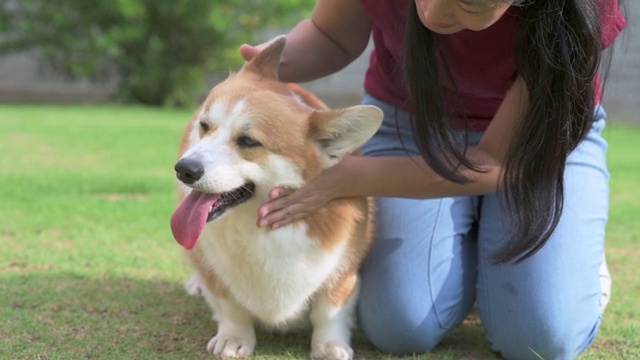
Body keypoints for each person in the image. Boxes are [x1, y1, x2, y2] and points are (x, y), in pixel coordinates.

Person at [240, 0, 627, 358]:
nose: (431, 15)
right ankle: (479, 249)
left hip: (540, 140)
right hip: (411, 125)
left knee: (541, 337)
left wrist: (347, 178)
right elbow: (331, 37)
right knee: (399, 326)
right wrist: (269, 65)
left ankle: (571, 263)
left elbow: (495, 161)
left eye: (469, 5)